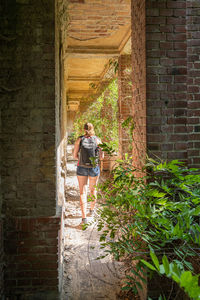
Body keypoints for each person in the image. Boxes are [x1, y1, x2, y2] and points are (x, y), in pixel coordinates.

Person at [73, 123, 104, 225]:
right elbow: (101, 157)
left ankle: (84, 218)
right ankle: (91, 210)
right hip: (94, 168)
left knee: (82, 192)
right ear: (92, 129)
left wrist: (82, 160)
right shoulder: (97, 140)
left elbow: (74, 156)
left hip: (81, 167)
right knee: (93, 189)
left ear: (83, 129)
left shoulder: (79, 139)